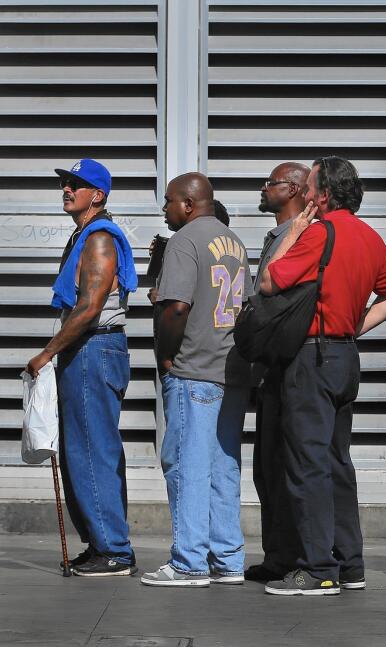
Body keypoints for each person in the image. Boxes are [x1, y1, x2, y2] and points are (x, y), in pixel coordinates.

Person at [258, 156, 386, 595]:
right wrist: (354, 326)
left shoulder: (319, 233)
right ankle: (350, 563)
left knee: (307, 465)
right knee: (337, 461)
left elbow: (269, 281)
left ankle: (318, 566)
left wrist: (295, 234)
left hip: (312, 359)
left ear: (322, 195)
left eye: (310, 186)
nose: (304, 193)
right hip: (343, 355)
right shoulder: (369, 236)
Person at [25, 158, 138, 576]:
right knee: (79, 452)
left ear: (99, 195)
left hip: (94, 349)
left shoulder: (100, 239)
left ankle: (115, 551)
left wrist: (47, 352)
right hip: (85, 351)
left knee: (92, 450)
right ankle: (99, 543)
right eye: (66, 184)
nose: (67, 189)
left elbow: (90, 306)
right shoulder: (83, 236)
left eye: (77, 184)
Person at [142, 173, 251, 587]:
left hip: (194, 368)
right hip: (231, 369)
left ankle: (189, 561)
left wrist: (167, 356)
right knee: (222, 466)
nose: (165, 209)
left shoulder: (185, 240)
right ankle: (227, 559)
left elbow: (176, 308)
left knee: (186, 463)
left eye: (169, 201)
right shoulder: (233, 241)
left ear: (188, 203)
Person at [244, 162, 311, 583]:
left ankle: (291, 556)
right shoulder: (276, 236)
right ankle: (277, 554)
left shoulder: (299, 236)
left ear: (293, 190)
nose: (263, 189)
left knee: (284, 466)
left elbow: (279, 301)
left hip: (287, 364)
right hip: (267, 366)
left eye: (271, 183)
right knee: (265, 467)